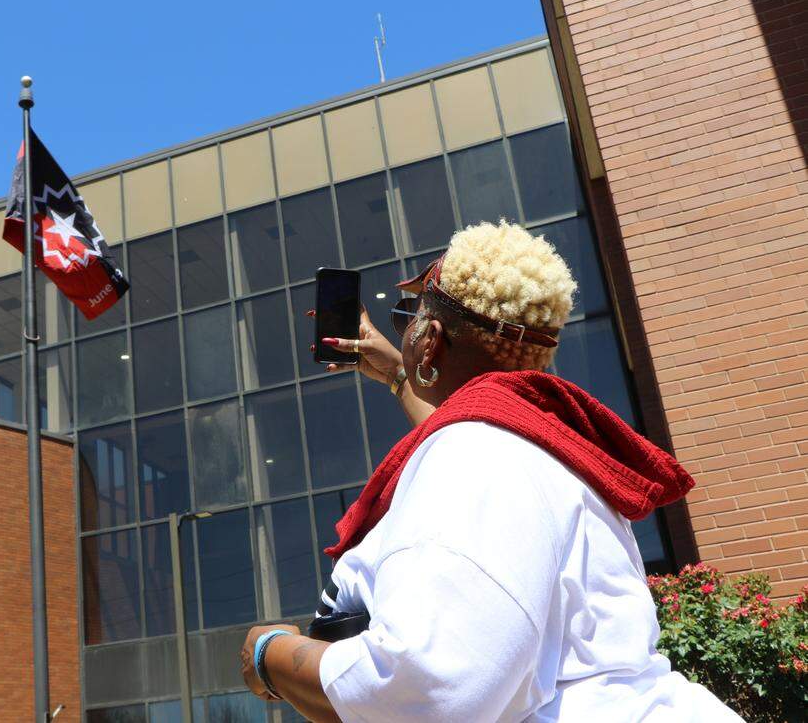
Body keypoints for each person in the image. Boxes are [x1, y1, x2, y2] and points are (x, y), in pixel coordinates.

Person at [240, 222, 740, 721]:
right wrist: (397, 373)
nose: (404, 330)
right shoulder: (523, 440)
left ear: (430, 341)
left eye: (407, 318)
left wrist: (271, 655)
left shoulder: (477, 456)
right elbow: (473, 430)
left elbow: (425, 691)